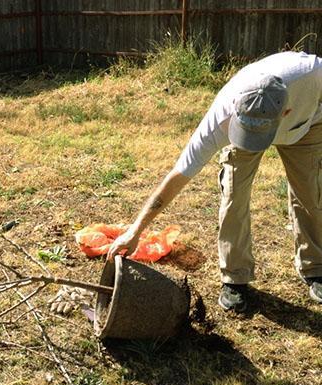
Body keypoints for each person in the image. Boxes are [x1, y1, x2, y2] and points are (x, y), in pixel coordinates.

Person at [107, 51, 322, 312]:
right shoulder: (222, 115)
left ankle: (315, 267)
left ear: (285, 111)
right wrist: (135, 231)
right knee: (234, 194)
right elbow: (179, 173)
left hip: (308, 123)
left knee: (311, 192)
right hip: (260, 121)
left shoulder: (310, 71)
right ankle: (235, 277)